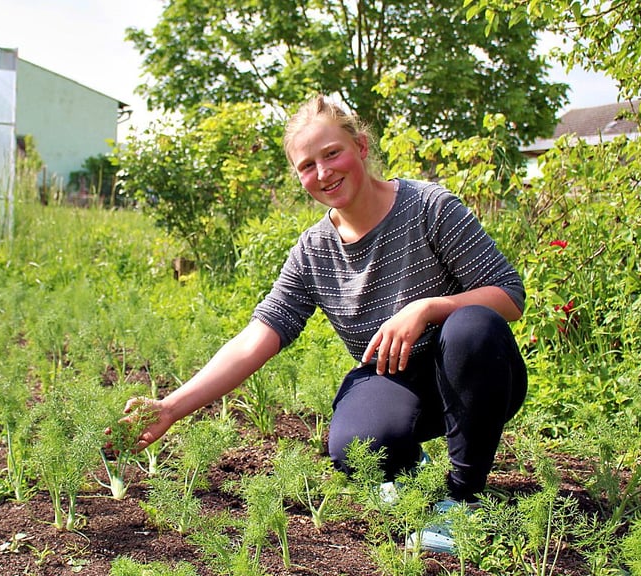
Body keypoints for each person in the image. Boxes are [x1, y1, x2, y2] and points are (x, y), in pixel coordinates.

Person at [119, 95, 528, 553]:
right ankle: (409, 467)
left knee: (472, 326)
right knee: (355, 444)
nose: (324, 172)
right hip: (395, 374)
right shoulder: (315, 250)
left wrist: (428, 307)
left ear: (362, 147)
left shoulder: (428, 207)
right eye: (307, 166)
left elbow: (508, 295)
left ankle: (464, 499)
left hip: (474, 370)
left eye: (332, 153)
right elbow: (259, 335)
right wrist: (172, 407)